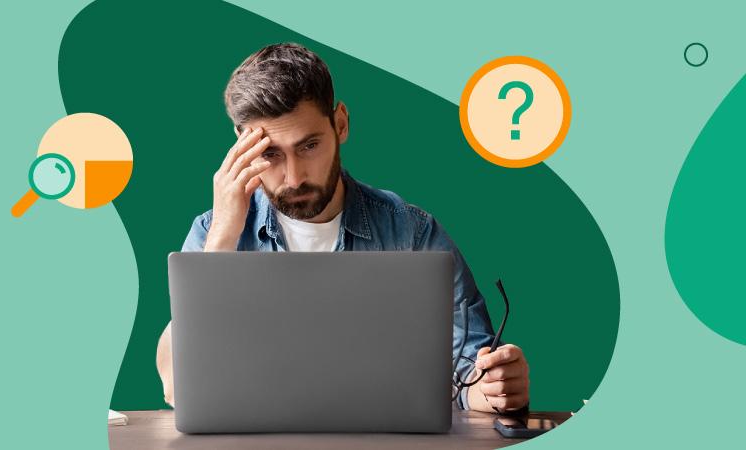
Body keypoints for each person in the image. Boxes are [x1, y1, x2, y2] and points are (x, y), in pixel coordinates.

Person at [157, 42, 529, 413]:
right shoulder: (213, 232)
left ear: (340, 124)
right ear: (242, 145)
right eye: (270, 153)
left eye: (309, 146)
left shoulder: (411, 233)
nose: (294, 177)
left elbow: (470, 369)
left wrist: (490, 390)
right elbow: (178, 386)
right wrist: (223, 236)